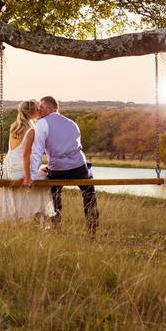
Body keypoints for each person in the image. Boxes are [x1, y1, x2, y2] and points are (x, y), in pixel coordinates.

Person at [32, 95, 99, 235]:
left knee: (54, 191)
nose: (39, 109)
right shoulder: (72, 123)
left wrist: (32, 174)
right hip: (78, 167)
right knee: (89, 190)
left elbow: (37, 151)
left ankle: (57, 226)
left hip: (58, 169)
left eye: (41, 107)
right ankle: (92, 227)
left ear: (50, 108)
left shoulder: (42, 123)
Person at [0, 100, 56, 225]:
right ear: (32, 113)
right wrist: (27, 177)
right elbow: (26, 156)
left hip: (8, 168)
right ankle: (36, 216)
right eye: (38, 109)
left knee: (41, 171)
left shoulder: (15, 125)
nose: (40, 111)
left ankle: (27, 216)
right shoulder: (31, 130)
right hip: (19, 169)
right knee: (45, 179)